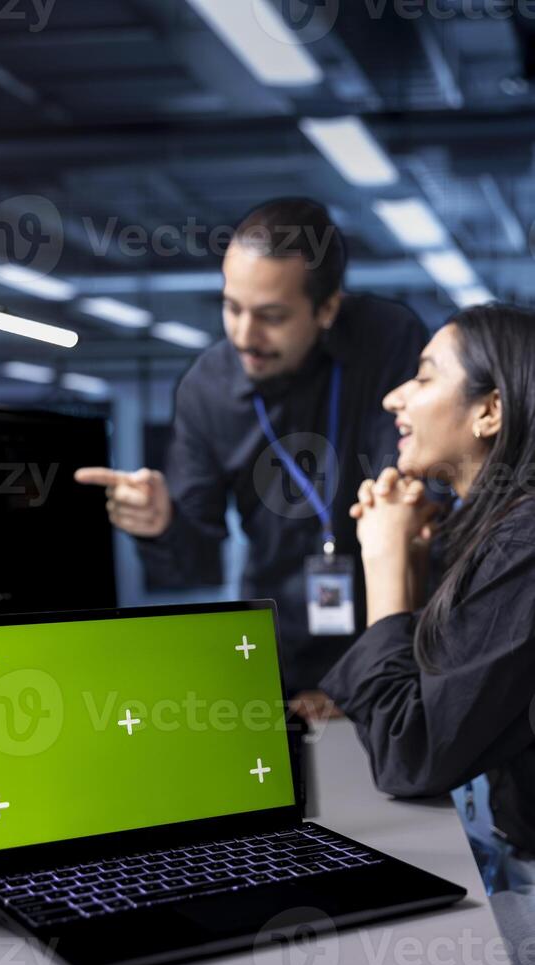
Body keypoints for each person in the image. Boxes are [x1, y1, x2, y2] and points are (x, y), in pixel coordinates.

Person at [76, 198, 427, 695]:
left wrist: (363, 683)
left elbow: (404, 491)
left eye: (271, 316)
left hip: (393, 631)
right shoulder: (208, 388)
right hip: (277, 647)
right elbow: (198, 559)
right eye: (232, 307)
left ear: (327, 309)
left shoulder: (385, 339)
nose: (244, 335)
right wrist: (162, 522)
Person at [318, 304, 535, 965]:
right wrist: (411, 562)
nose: (394, 397)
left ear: (489, 411)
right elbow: (443, 691)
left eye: (423, 376)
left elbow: (411, 755)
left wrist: (384, 562)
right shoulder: (501, 529)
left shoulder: (525, 542)